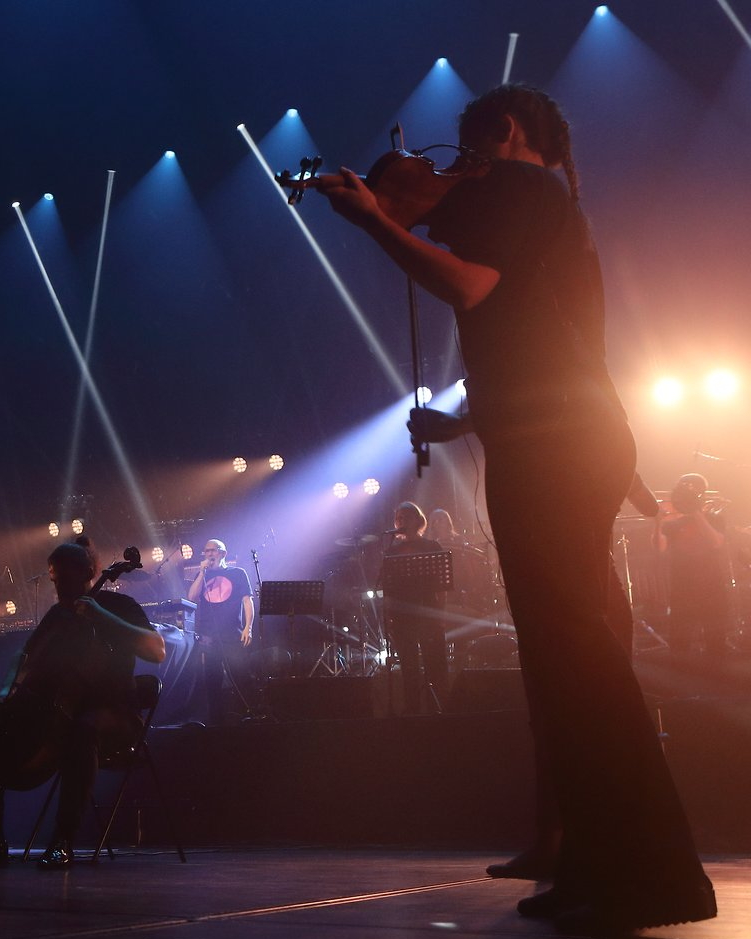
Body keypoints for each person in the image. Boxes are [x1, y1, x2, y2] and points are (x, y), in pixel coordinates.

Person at [310, 83, 714, 931]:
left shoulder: (525, 190)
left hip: (563, 447)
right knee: (563, 667)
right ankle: (599, 863)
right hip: (554, 436)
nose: (444, 177)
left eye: (456, 152)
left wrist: (379, 223)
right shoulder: (531, 204)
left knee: (579, 661)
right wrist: (462, 421)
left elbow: (471, 289)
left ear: (503, 133)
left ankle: (657, 875)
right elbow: (533, 345)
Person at [0, 540, 166, 869]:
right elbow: (24, 656)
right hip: (62, 711)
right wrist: (9, 687)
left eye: (66, 579)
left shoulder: (117, 604)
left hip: (116, 714)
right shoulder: (59, 614)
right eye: (55, 580)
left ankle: (63, 839)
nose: (59, 587)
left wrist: (100, 615)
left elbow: (156, 650)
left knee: (83, 731)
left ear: (88, 573)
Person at [379, 503, 448, 715]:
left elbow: (442, 584)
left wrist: (440, 612)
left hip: (428, 612)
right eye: (398, 518)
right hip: (403, 617)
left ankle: (439, 709)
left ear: (418, 521)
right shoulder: (391, 551)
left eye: (406, 517)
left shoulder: (431, 546)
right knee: (409, 667)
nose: (401, 521)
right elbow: (387, 588)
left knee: (434, 663)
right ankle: (413, 711)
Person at [654, 473, 733, 656]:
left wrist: (696, 512)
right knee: (679, 645)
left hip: (711, 586)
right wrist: (658, 523)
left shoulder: (714, 518)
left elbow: (716, 542)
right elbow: (660, 548)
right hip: (682, 587)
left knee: (716, 644)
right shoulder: (673, 523)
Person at [185, 539, 255, 722]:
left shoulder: (238, 573)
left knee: (240, 675)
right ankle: (216, 720)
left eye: (213, 550)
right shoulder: (203, 575)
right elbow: (191, 597)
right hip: (209, 637)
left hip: (233, 633)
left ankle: (250, 714)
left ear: (223, 553)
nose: (209, 554)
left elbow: (247, 601)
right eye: (206, 551)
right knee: (212, 681)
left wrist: (248, 627)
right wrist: (201, 572)